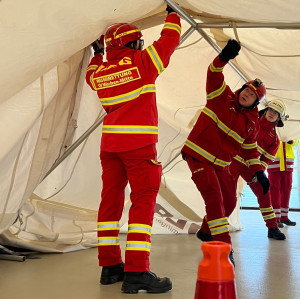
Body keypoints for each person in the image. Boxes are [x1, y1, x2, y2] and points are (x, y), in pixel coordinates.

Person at [85, 5, 181, 294]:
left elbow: (91, 73)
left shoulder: (100, 73)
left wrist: (98, 53)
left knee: (110, 203)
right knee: (143, 203)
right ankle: (137, 271)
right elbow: (169, 41)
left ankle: (110, 267)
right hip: (138, 146)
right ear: (135, 43)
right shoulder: (142, 62)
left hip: (110, 146)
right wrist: (173, 14)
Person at [181, 39, 269, 266]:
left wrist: (259, 172)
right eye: (246, 90)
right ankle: (222, 247)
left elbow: (250, 151)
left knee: (229, 201)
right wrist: (224, 57)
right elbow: (213, 72)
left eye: (252, 95)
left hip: (221, 164)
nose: (247, 95)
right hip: (198, 155)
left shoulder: (252, 124)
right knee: (214, 197)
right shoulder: (221, 96)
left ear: (256, 103)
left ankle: (205, 230)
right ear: (241, 89)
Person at [229, 99, 287, 240]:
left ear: (279, 119)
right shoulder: (251, 120)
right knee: (227, 196)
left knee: (264, 192)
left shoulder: (275, 141)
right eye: (271, 110)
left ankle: (272, 227)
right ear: (265, 111)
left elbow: (265, 160)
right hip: (233, 161)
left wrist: (258, 173)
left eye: (276, 113)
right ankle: (210, 228)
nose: (272, 114)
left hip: (251, 167)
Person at [268, 139, 299, 227]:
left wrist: (292, 141)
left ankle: (284, 217)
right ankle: (276, 219)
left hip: (288, 166)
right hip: (274, 166)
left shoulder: (290, 128)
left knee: (286, 192)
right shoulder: (272, 128)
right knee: (274, 193)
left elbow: (297, 140)